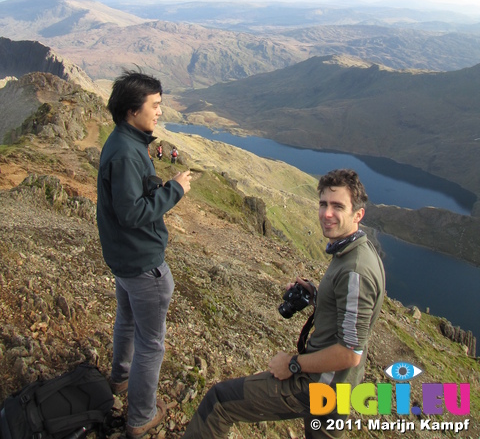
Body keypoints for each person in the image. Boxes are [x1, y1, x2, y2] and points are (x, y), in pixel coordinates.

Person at [182, 168, 385, 439]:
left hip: (320, 384)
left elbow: (350, 353)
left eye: (338, 206)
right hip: (337, 388)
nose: (326, 213)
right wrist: (315, 294)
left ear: (358, 214)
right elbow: (347, 314)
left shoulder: (355, 270)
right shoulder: (355, 250)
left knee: (219, 402)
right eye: (323, 203)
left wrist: (293, 364)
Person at [97, 70, 192, 439]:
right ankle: (140, 417)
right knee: (152, 344)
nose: (159, 112)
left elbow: (128, 202)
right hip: (142, 263)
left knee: (126, 320)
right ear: (132, 110)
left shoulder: (126, 142)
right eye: (154, 106)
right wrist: (175, 190)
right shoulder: (125, 152)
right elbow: (132, 213)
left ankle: (121, 379)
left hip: (124, 258)